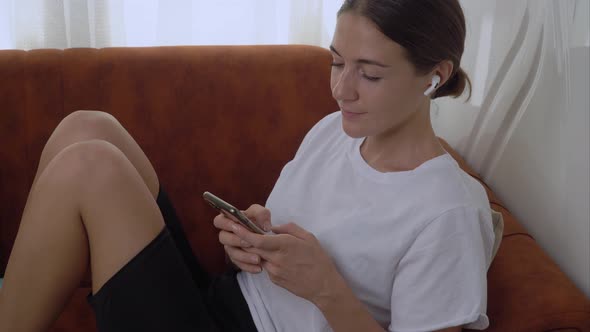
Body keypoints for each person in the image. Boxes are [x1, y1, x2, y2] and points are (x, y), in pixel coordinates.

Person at [0, 0, 496, 331]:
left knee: (91, 165)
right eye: (336, 62)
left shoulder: (447, 212)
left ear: (434, 76)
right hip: (222, 303)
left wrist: (326, 287)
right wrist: (256, 239)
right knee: (88, 127)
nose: (342, 89)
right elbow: (301, 239)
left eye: (368, 73)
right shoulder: (336, 132)